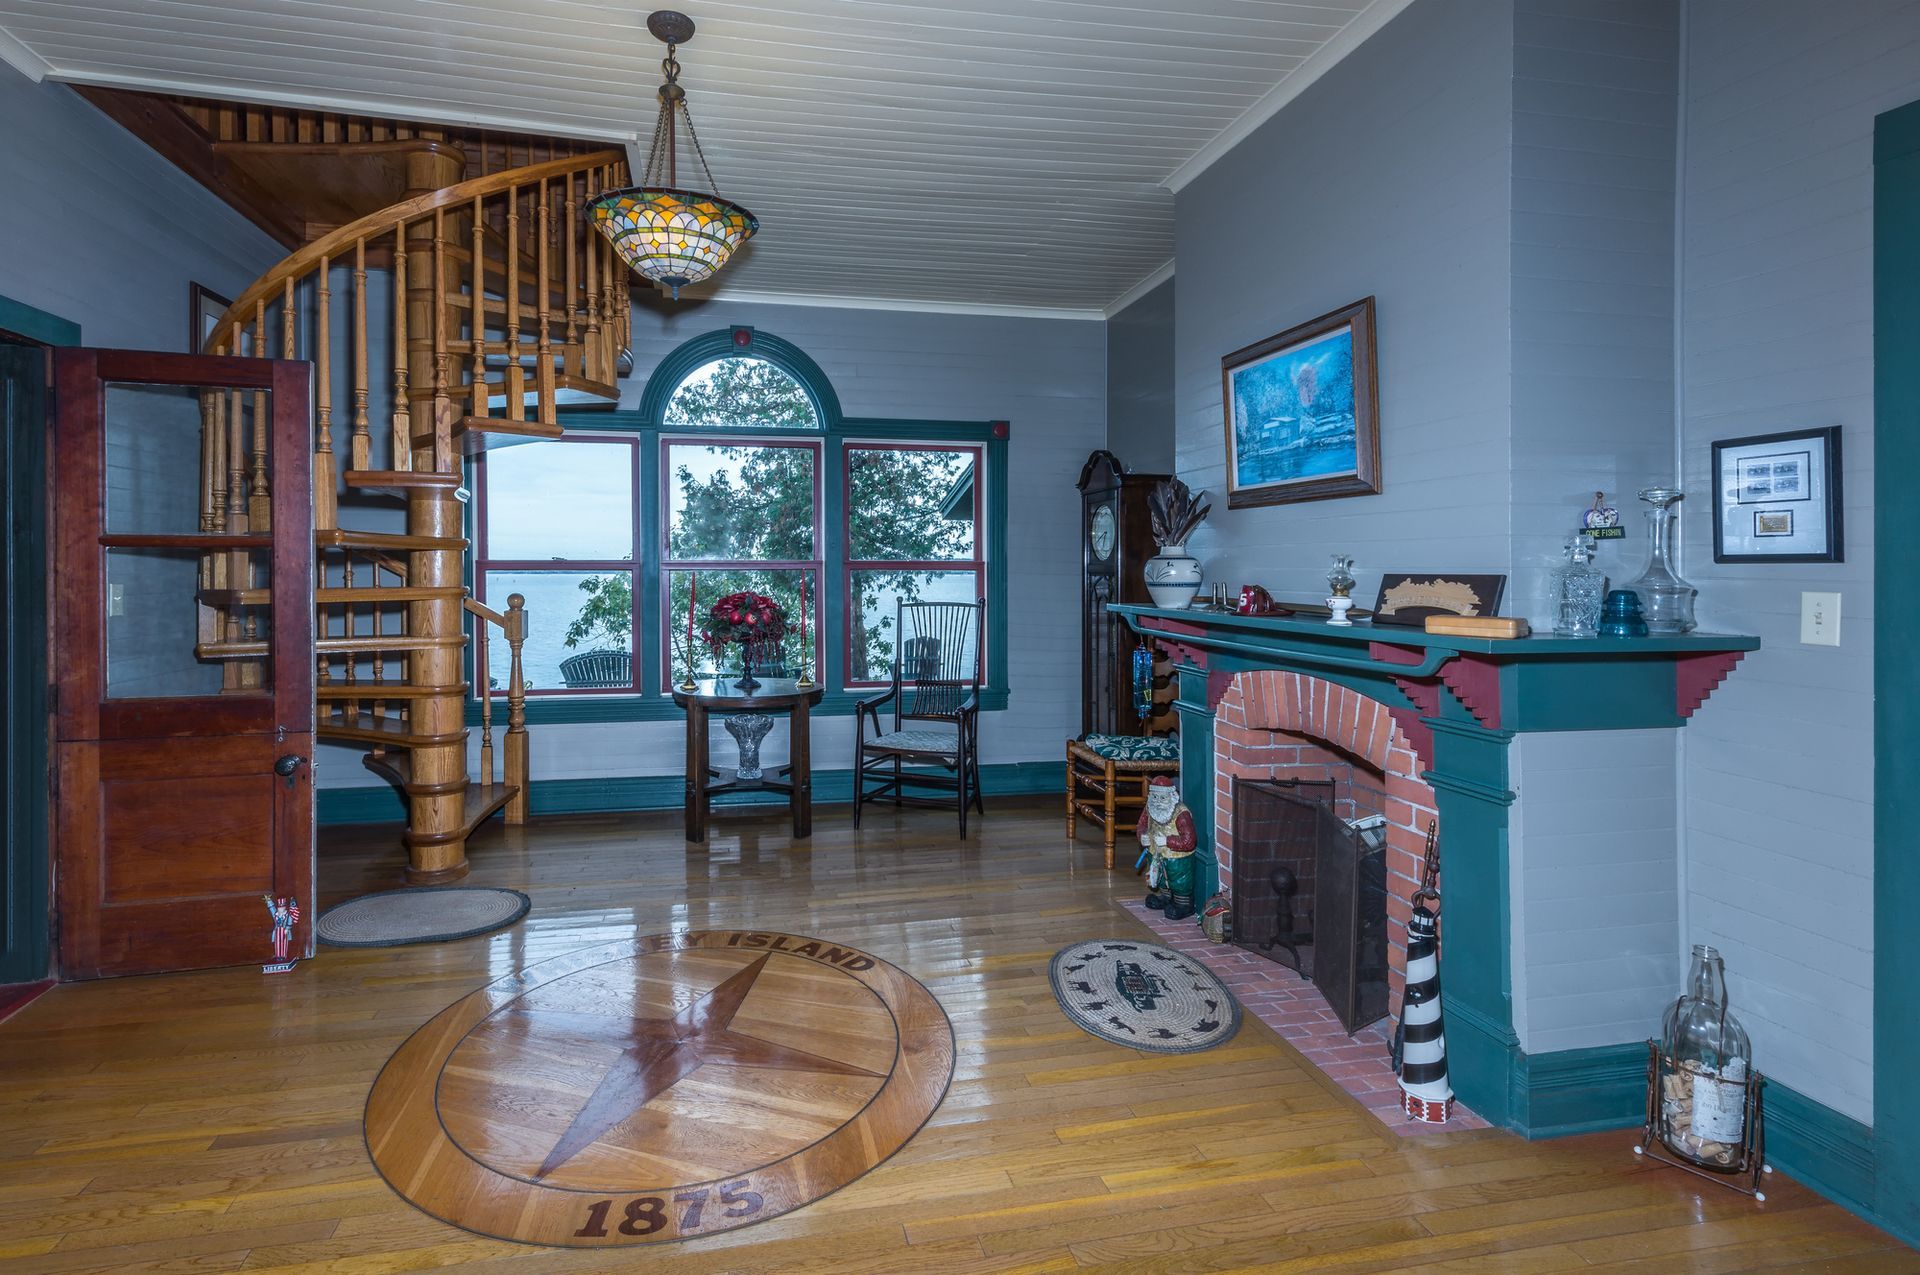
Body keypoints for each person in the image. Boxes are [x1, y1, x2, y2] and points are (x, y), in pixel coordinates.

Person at [1136, 776, 1199, 920]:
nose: (1157, 802)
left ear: (1171, 796)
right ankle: (1165, 897)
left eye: (1162, 798)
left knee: (1179, 880)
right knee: (1160, 876)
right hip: (1156, 853)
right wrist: (1142, 835)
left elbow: (1189, 841)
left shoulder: (1181, 815)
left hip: (1177, 858)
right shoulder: (1149, 808)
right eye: (1155, 797)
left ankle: (1183, 904)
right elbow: (1142, 825)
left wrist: (1167, 840)